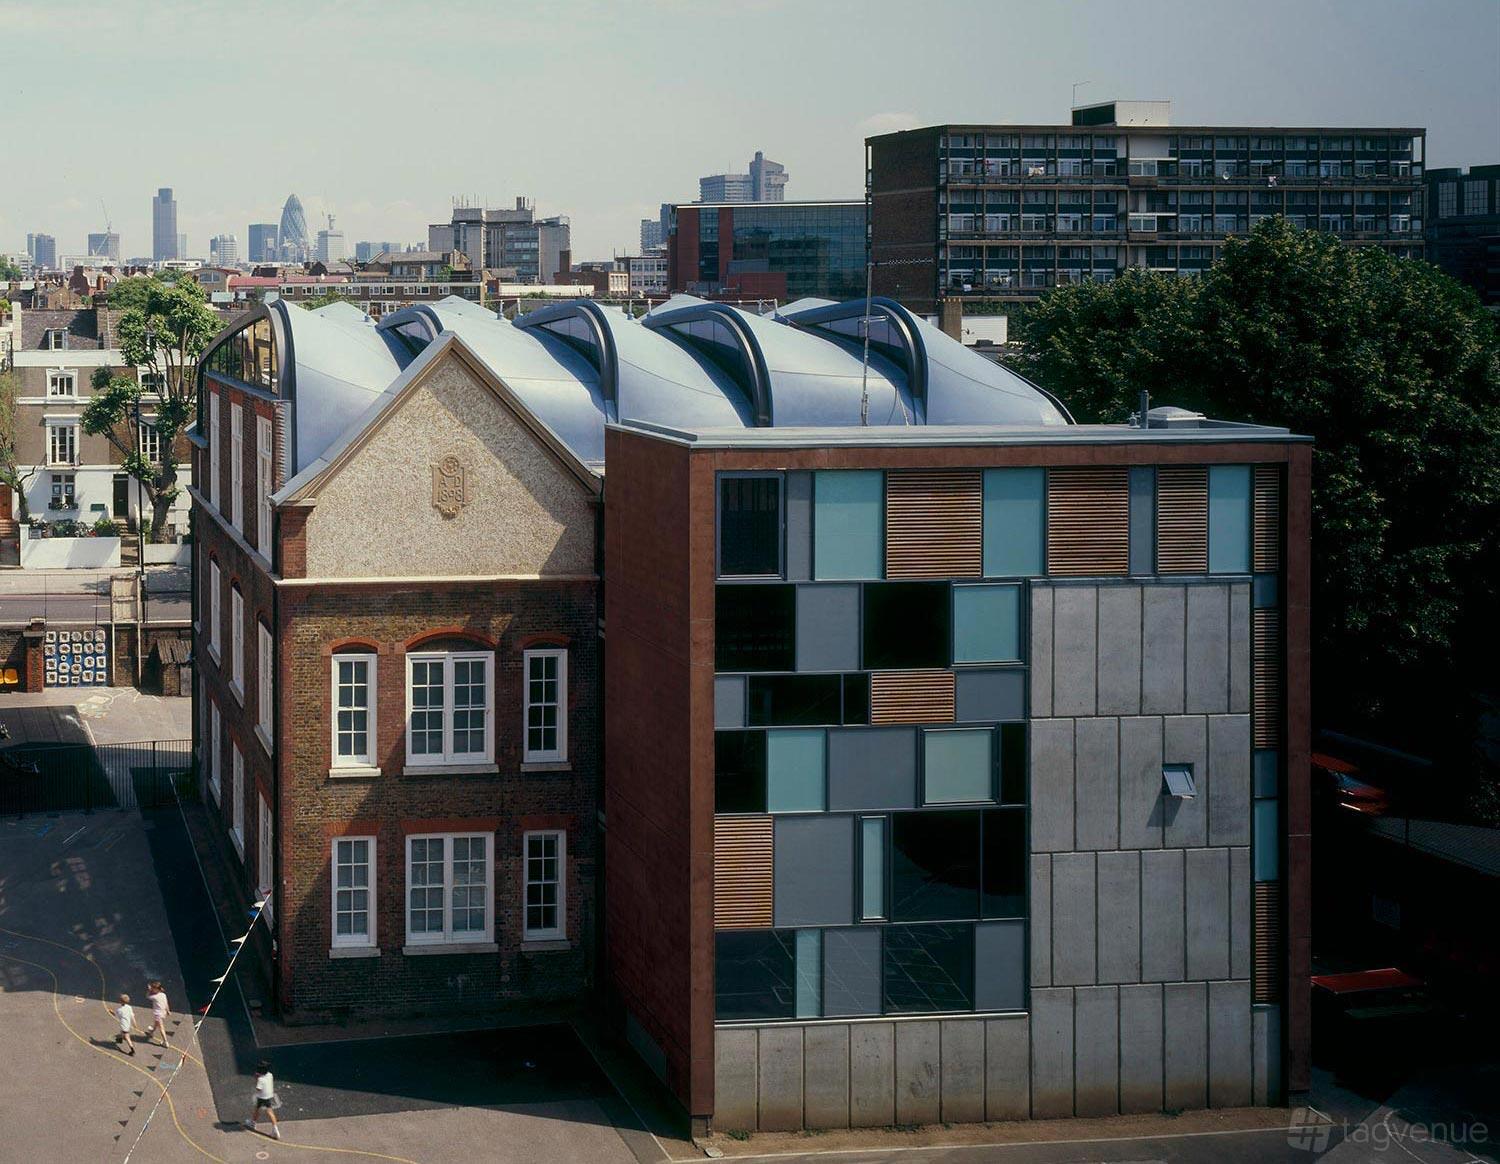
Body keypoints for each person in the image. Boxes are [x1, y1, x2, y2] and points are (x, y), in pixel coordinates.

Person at [244, 1060, 281, 1139]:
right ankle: (275, 1129)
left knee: (259, 1109)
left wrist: (257, 1078)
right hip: (269, 1095)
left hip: (262, 1097)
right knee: (268, 1111)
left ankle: (253, 1123)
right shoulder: (270, 1075)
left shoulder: (260, 1079)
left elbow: (258, 1089)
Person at [145, 981, 170, 1047]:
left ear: (156, 989)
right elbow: (166, 1003)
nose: (152, 990)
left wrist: (149, 990)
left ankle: (165, 1042)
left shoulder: (155, 997)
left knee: (161, 1028)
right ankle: (151, 1032)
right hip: (163, 1013)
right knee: (156, 1024)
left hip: (158, 1014)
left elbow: (147, 996)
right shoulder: (163, 995)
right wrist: (168, 1010)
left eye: (153, 989)